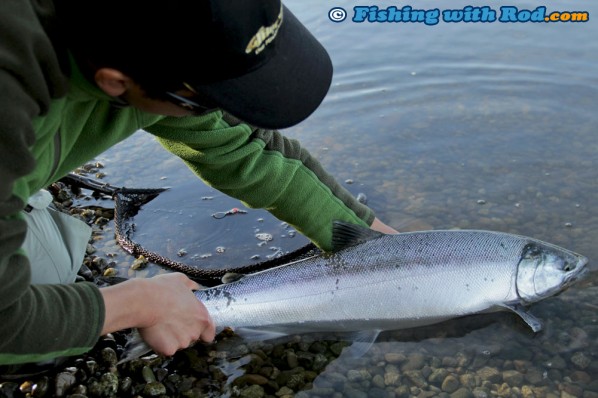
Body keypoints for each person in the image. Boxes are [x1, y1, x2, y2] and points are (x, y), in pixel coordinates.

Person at [0, 0, 397, 366]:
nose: (226, 113)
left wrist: (368, 235)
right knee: (46, 289)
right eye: (210, 98)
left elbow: (247, 149)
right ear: (117, 82)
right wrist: (134, 304)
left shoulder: (160, 39)